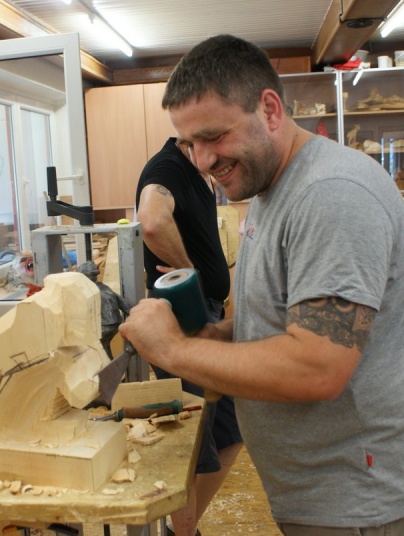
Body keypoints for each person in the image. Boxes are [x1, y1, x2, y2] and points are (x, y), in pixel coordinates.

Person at [119, 35, 404, 535]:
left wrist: (172, 349)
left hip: (373, 506)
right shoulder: (270, 187)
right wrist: (218, 335)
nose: (202, 160)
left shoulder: (330, 195)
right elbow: (285, 318)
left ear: (270, 109)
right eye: (189, 144)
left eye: (214, 137)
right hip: (332, 499)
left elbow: (317, 367)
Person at [135, 137, 243, 536]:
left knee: (230, 432)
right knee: (191, 448)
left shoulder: (200, 172)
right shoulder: (168, 167)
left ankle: (181, 530)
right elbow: (151, 221)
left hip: (205, 317)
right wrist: (189, 273)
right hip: (183, 319)